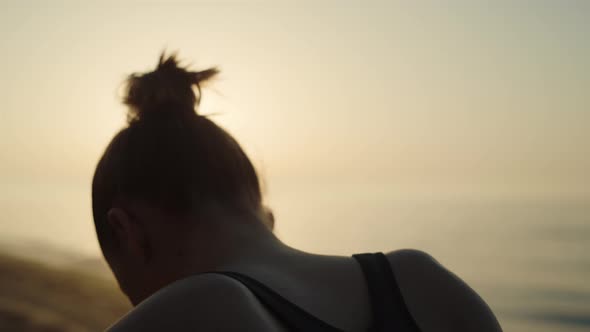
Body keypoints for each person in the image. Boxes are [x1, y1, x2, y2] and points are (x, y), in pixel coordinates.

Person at [92, 53, 502, 332]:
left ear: (130, 233)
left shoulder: (189, 313)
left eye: (134, 294)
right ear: (265, 215)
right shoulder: (423, 282)